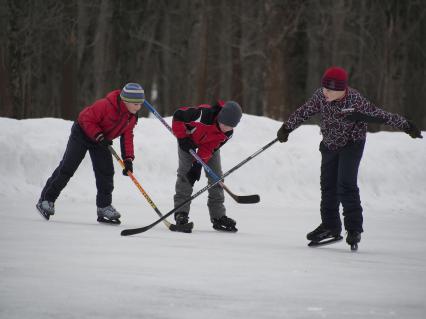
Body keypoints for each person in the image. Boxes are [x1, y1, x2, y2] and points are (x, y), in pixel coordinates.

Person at [276, 66, 422, 248]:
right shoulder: (320, 97)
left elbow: (381, 115)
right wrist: (287, 128)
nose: (325, 92)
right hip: (329, 144)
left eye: (329, 90)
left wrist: (407, 125)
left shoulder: (356, 102)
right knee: (328, 185)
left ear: (341, 89)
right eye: (324, 88)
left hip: (352, 144)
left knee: (346, 183)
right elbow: (304, 111)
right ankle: (330, 226)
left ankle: (354, 229)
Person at [36, 83, 145, 224]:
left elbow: (127, 136)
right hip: (82, 134)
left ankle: (104, 207)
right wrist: (99, 136)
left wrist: (128, 159)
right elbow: (85, 118)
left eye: (140, 104)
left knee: (106, 173)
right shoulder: (106, 105)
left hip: (102, 141)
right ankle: (46, 199)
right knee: (68, 168)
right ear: (125, 101)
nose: (138, 108)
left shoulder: (131, 117)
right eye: (135, 104)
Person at [171, 100, 243, 233]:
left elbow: (210, 146)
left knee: (216, 178)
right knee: (185, 175)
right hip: (187, 141)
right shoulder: (202, 115)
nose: (226, 128)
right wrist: (182, 138)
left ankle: (218, 216)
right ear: (220, 117)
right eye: (225, 124)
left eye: (231, 126)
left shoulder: (227, 133)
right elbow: (178, 116)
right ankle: (181, 213)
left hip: (209, 145)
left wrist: (198, 164)